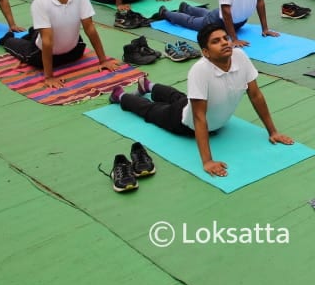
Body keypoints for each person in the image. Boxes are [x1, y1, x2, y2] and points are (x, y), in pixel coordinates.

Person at [113, 24, 293, 175]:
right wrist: (208, 161)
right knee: (153, 111)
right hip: (183, 122)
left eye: (225, 38)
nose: (224, 43)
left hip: (202, 112)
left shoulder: (240, 56)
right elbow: (199, 117)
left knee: (179, 97)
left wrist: (273, 132)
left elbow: (255, 95)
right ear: (206, 52)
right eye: (216, 41)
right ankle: (121, 96)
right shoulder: (199, 70)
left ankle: (149, 87)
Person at [0, 0, 119, 87]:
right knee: (12, 43)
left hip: (74, 51)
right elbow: (47, 41)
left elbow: (90, 28)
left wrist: (103, 60)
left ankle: (33, 32)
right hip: (41, 53)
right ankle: (8, 39)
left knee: (43, 32)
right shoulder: (40, 2)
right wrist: (49, 77)